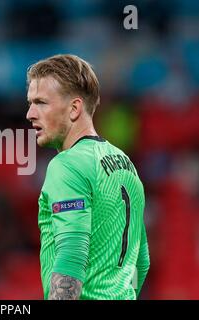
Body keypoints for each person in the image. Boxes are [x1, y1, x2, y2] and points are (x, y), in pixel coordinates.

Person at [26, 54, 150, 300]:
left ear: (74, 109)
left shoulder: (67, 165)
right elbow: (141, 261)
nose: (30, 113)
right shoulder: (127, 165)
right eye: (30, 102)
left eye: (41, 103)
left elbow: (72, 255)